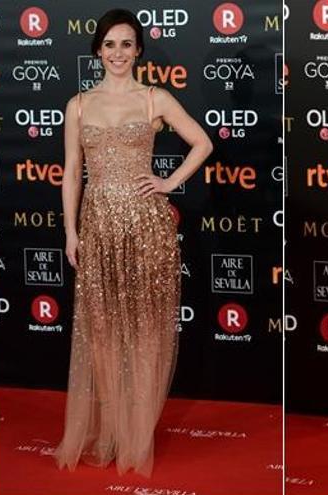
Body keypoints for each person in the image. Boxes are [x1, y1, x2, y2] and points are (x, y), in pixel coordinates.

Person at [53, 8, 213, 476]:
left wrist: (168, 182)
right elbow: (70, 174)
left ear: (138, 50)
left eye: (127, 44)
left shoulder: (154, 99)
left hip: (147, 226)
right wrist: (70, 230)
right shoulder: (78, 105)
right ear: (98, 51)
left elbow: (202, 143)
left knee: (143, 329)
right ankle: (112, 430)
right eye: (110, 44)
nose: (118, 53)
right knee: (102, 333)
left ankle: (137, 434)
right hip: (97, 225)